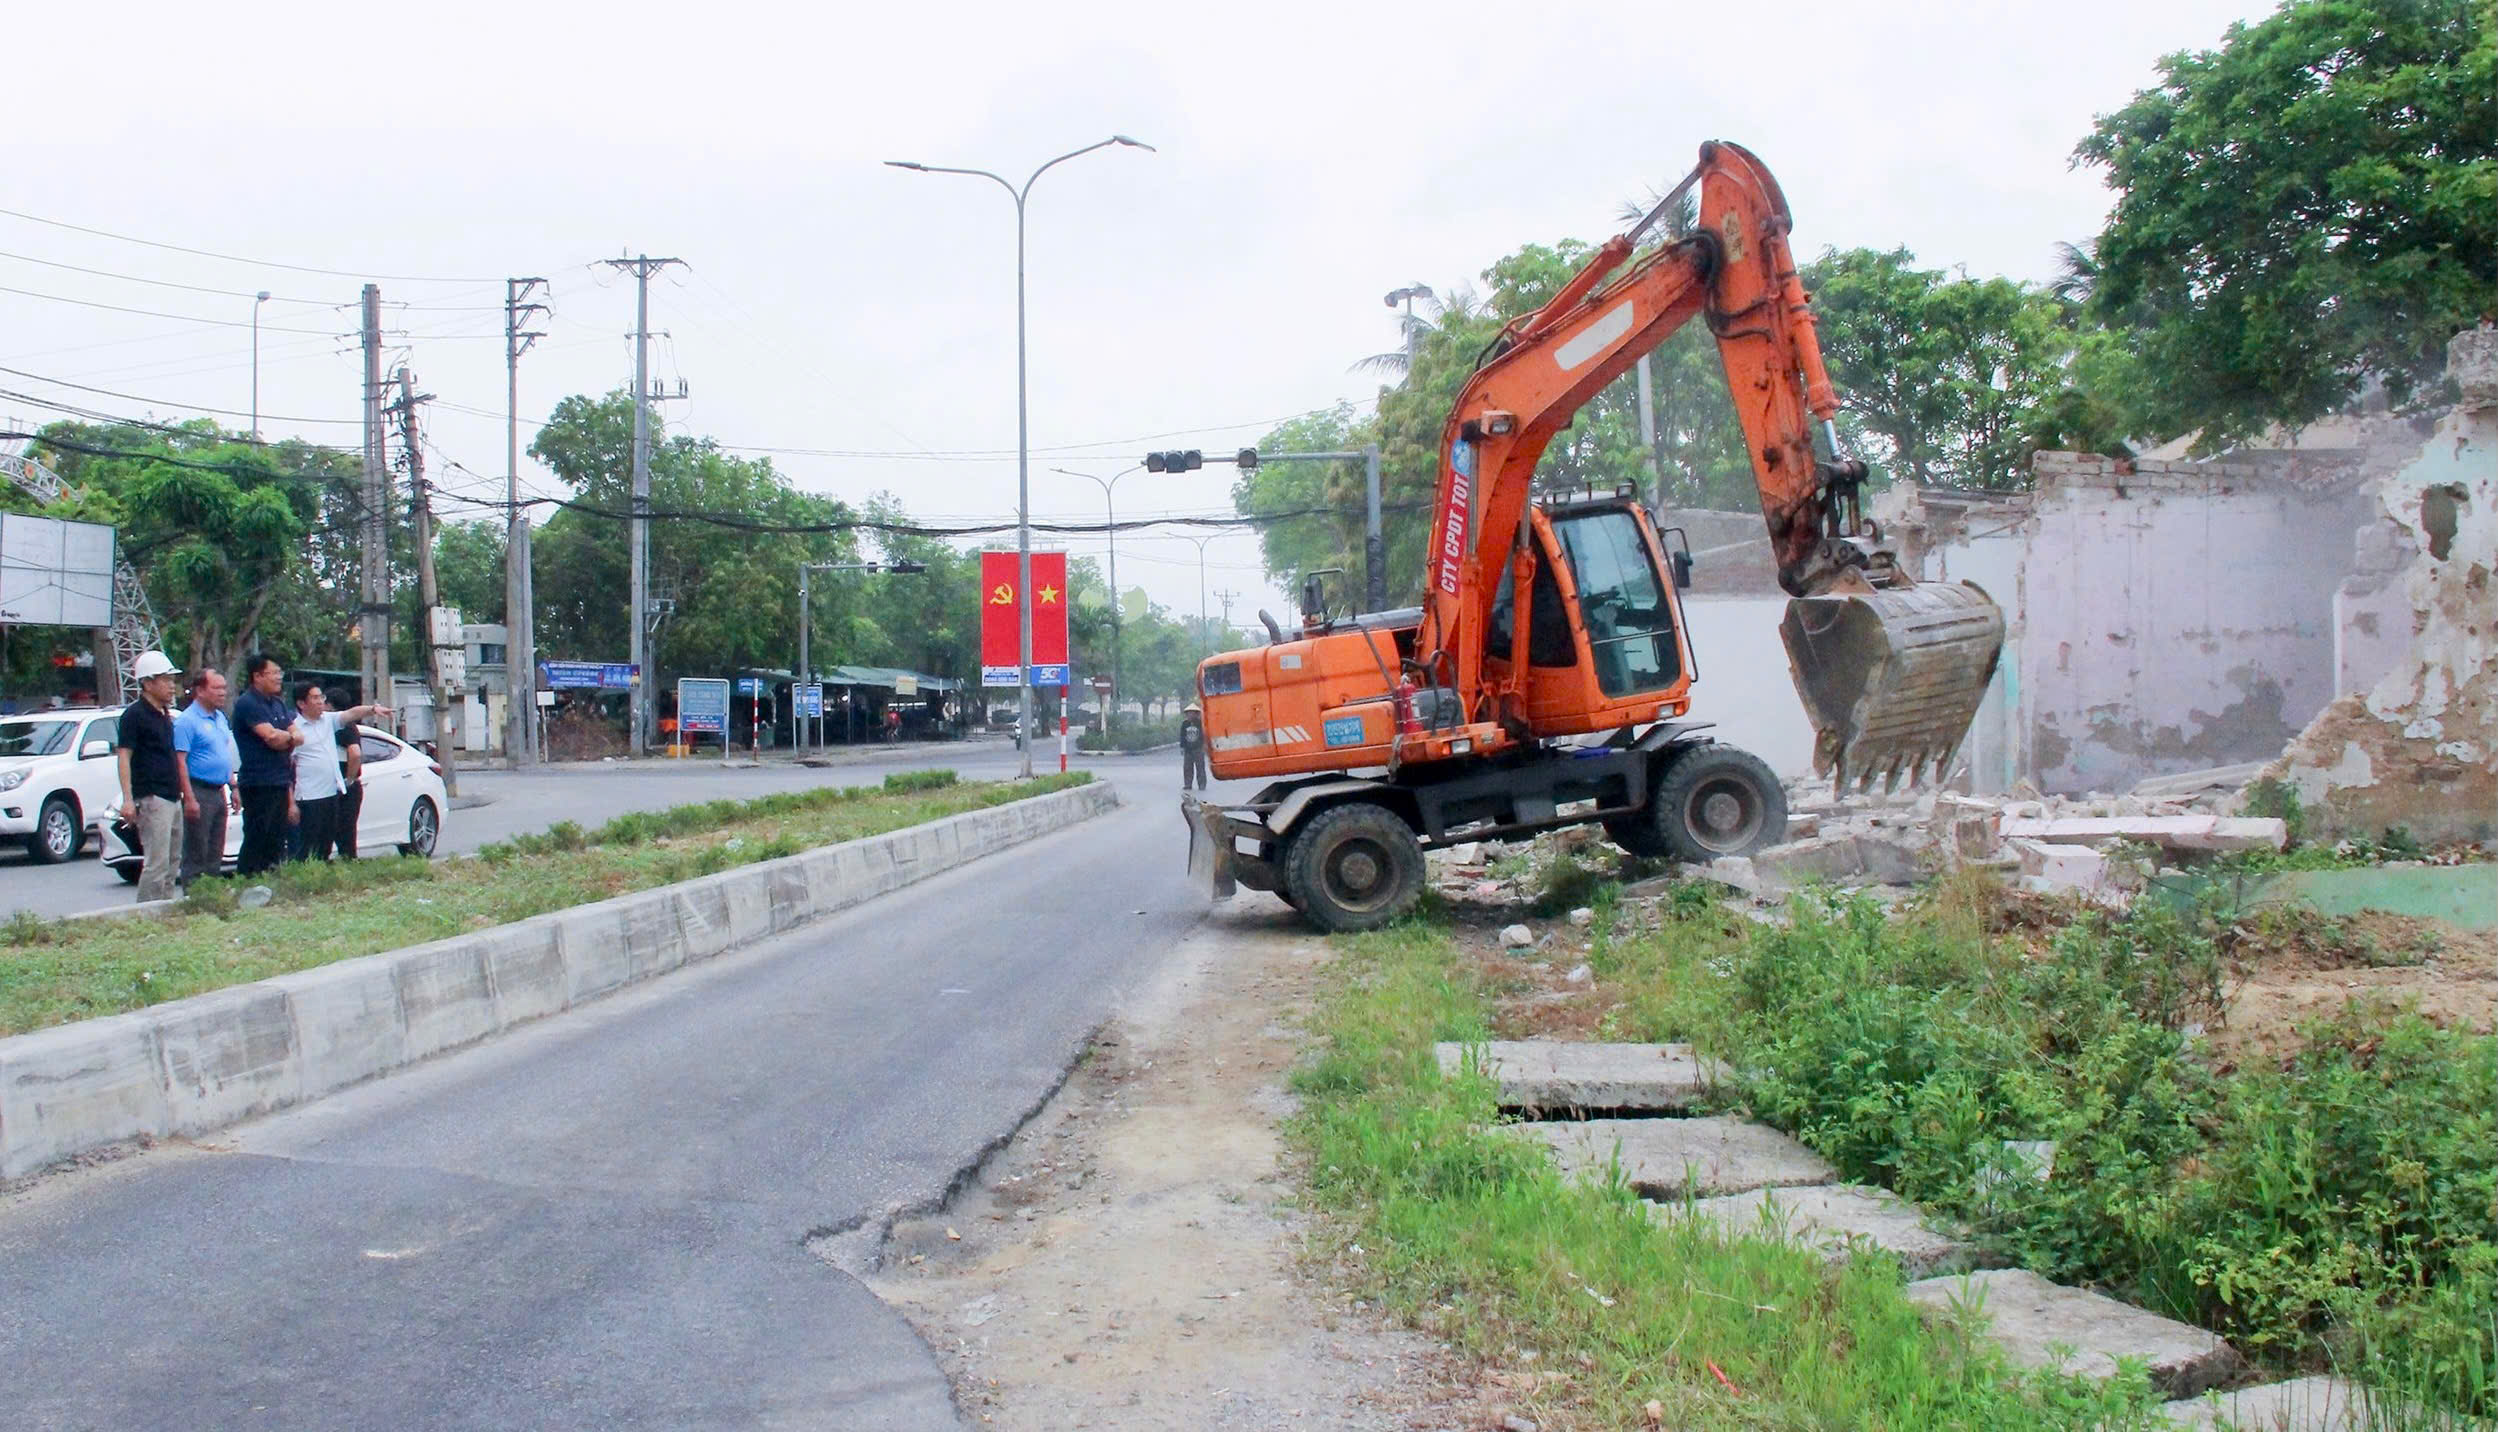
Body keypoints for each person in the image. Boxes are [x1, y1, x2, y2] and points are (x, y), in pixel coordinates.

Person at [286, 682, 388, 863]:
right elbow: (287, 769)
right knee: (309, 845)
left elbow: (351, 714)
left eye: (321, 698)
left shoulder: (327, 720)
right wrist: (290, 802)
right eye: (315, 698)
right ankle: (306, 877)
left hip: (331, 793)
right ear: (302, 704)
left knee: (327, 842)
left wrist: (372, 709)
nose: (320, 702)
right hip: (309, 797)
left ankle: (323, 877)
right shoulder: (295, 729)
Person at [115, 651, 185, 902]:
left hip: (172, 794)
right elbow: (124, 757)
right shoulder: (134, 715)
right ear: (147, 682)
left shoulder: (165, 715)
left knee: (172, 860)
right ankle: (145, 912)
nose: (171, 686)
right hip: (152, 797)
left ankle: (166, 909)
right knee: (156, 862)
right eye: (165, 680)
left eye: (172, 680)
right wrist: (127, 798)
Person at [172, 668, 241, 889]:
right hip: (198, 789)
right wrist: (190, 798)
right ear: (200, 690)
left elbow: (223, 753)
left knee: (215, 849)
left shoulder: (220, 717)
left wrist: (233, 786)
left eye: (224, 688)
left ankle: (211, 894)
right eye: (216, 688)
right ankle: (194, 896)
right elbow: (180, 761)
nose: (222, 693)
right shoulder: (187, 721)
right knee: (196, 849)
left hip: (219, 789)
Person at [233, 654, 300, 875]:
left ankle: (269, 884)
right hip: (258, 782)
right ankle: (247, 880)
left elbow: (297, 735)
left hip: (280, 780)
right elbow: (270, 737)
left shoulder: (278, 703)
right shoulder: (247, 703)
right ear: (258, 676)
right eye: (274, 673)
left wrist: (285, 739)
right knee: (257, 837)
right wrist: (285, 738)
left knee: (276, 839)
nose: (278, 677)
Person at [1179, 703, 1209, 792]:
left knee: (1200, 767)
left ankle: (1202, 784)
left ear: (1196, 714)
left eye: (1192, 713)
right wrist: (1182, 747)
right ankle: (1188, 784)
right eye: (1188, 713)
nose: (1189, 715)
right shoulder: (1185, 724)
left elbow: (1204, 735)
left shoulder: (1200, 723)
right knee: (1187, 768)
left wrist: (1204, 745)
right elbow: (1182, 736)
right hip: (1188, 749)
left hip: (1198, 748)